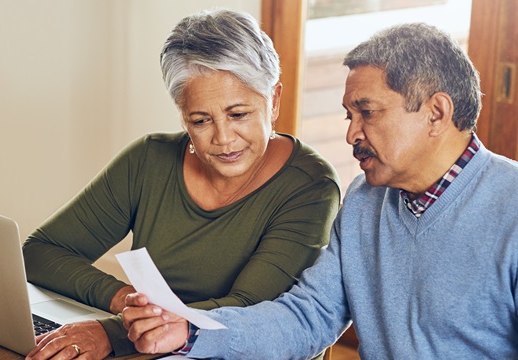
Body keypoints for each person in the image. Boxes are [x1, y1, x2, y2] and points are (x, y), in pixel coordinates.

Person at [122, 22, 518, 359]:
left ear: (436, 113)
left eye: (367, 112)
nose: (352, 133)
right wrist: (189, 332)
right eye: (348, 115)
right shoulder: (364, 202)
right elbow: (307, 317)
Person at [21, 8, 342, 360]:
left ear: (274, 100)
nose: (223, 138)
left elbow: (249, 309)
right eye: (201, 120)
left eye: (239, 115)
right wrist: (125, 301)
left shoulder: (311, 186)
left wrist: (114, 333)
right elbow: (40, 252)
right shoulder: (150, 159)